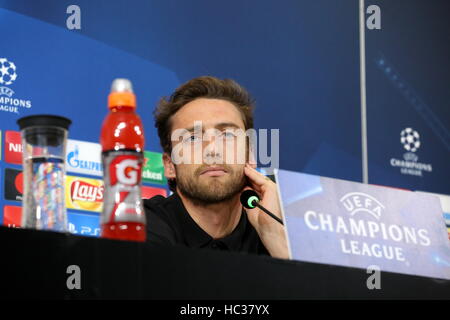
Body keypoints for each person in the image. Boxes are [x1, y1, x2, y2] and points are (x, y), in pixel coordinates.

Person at [144, 76, 288, 259]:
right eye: (193, 138)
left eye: (227, 135)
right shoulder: (144, 223)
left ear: (249, 155)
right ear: (170, 165)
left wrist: (275, 237)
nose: (213, 150)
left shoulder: (277, 224)